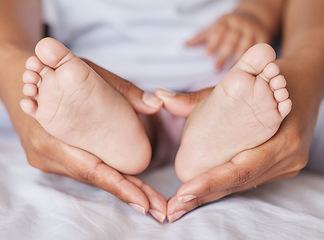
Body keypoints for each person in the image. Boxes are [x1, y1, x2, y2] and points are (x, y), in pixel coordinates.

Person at [0, 0, 323, 224]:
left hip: (227, 80)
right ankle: (162, 134)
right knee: (96, 101)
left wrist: (255, 13)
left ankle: (199, 133)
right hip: (106, 79)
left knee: (251, 98)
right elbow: (12, 33)